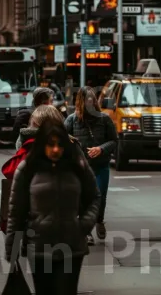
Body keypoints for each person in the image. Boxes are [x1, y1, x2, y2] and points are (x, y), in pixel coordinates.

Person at [5, 120, 100, 295]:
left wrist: (84, 224)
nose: (55, 149)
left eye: (60, 145)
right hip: (40, 248)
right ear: (42, 144)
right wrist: (12, 247)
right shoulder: (28, 169)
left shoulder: (77, 165)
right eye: (50, 144)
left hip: (72, 247)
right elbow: (16, 211)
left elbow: (94, 197)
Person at [65, 86, 117, 245]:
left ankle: (99, 220)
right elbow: (62, 140)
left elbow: (114, 141)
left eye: (93, 99)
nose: (91, 101)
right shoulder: (72, 120)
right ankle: (85, 231)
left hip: (100, 166)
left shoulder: (104, 119)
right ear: (81, 101)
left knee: (100, 197)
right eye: (88, 99)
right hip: (80, 168)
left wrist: (101, 149)